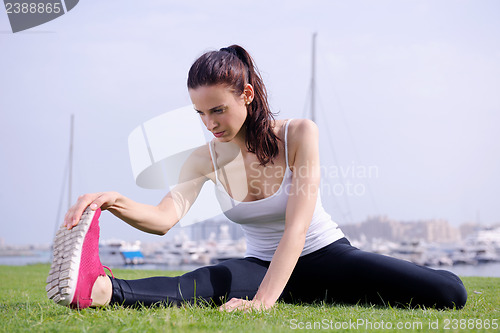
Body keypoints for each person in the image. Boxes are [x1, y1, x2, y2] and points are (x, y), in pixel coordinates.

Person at [47, 45, 467, 312]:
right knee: (203, 282)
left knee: (449, 293)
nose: (209, 123)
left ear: (246, 96)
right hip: (259, 264)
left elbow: (298, 227)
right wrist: (114, 201)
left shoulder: (299, 134)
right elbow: (163, 218)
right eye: (200, 112)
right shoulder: (202, 159)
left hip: (326, 256)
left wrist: (265, 302)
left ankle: (323, 289)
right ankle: (104, 290)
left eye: (218, 110)